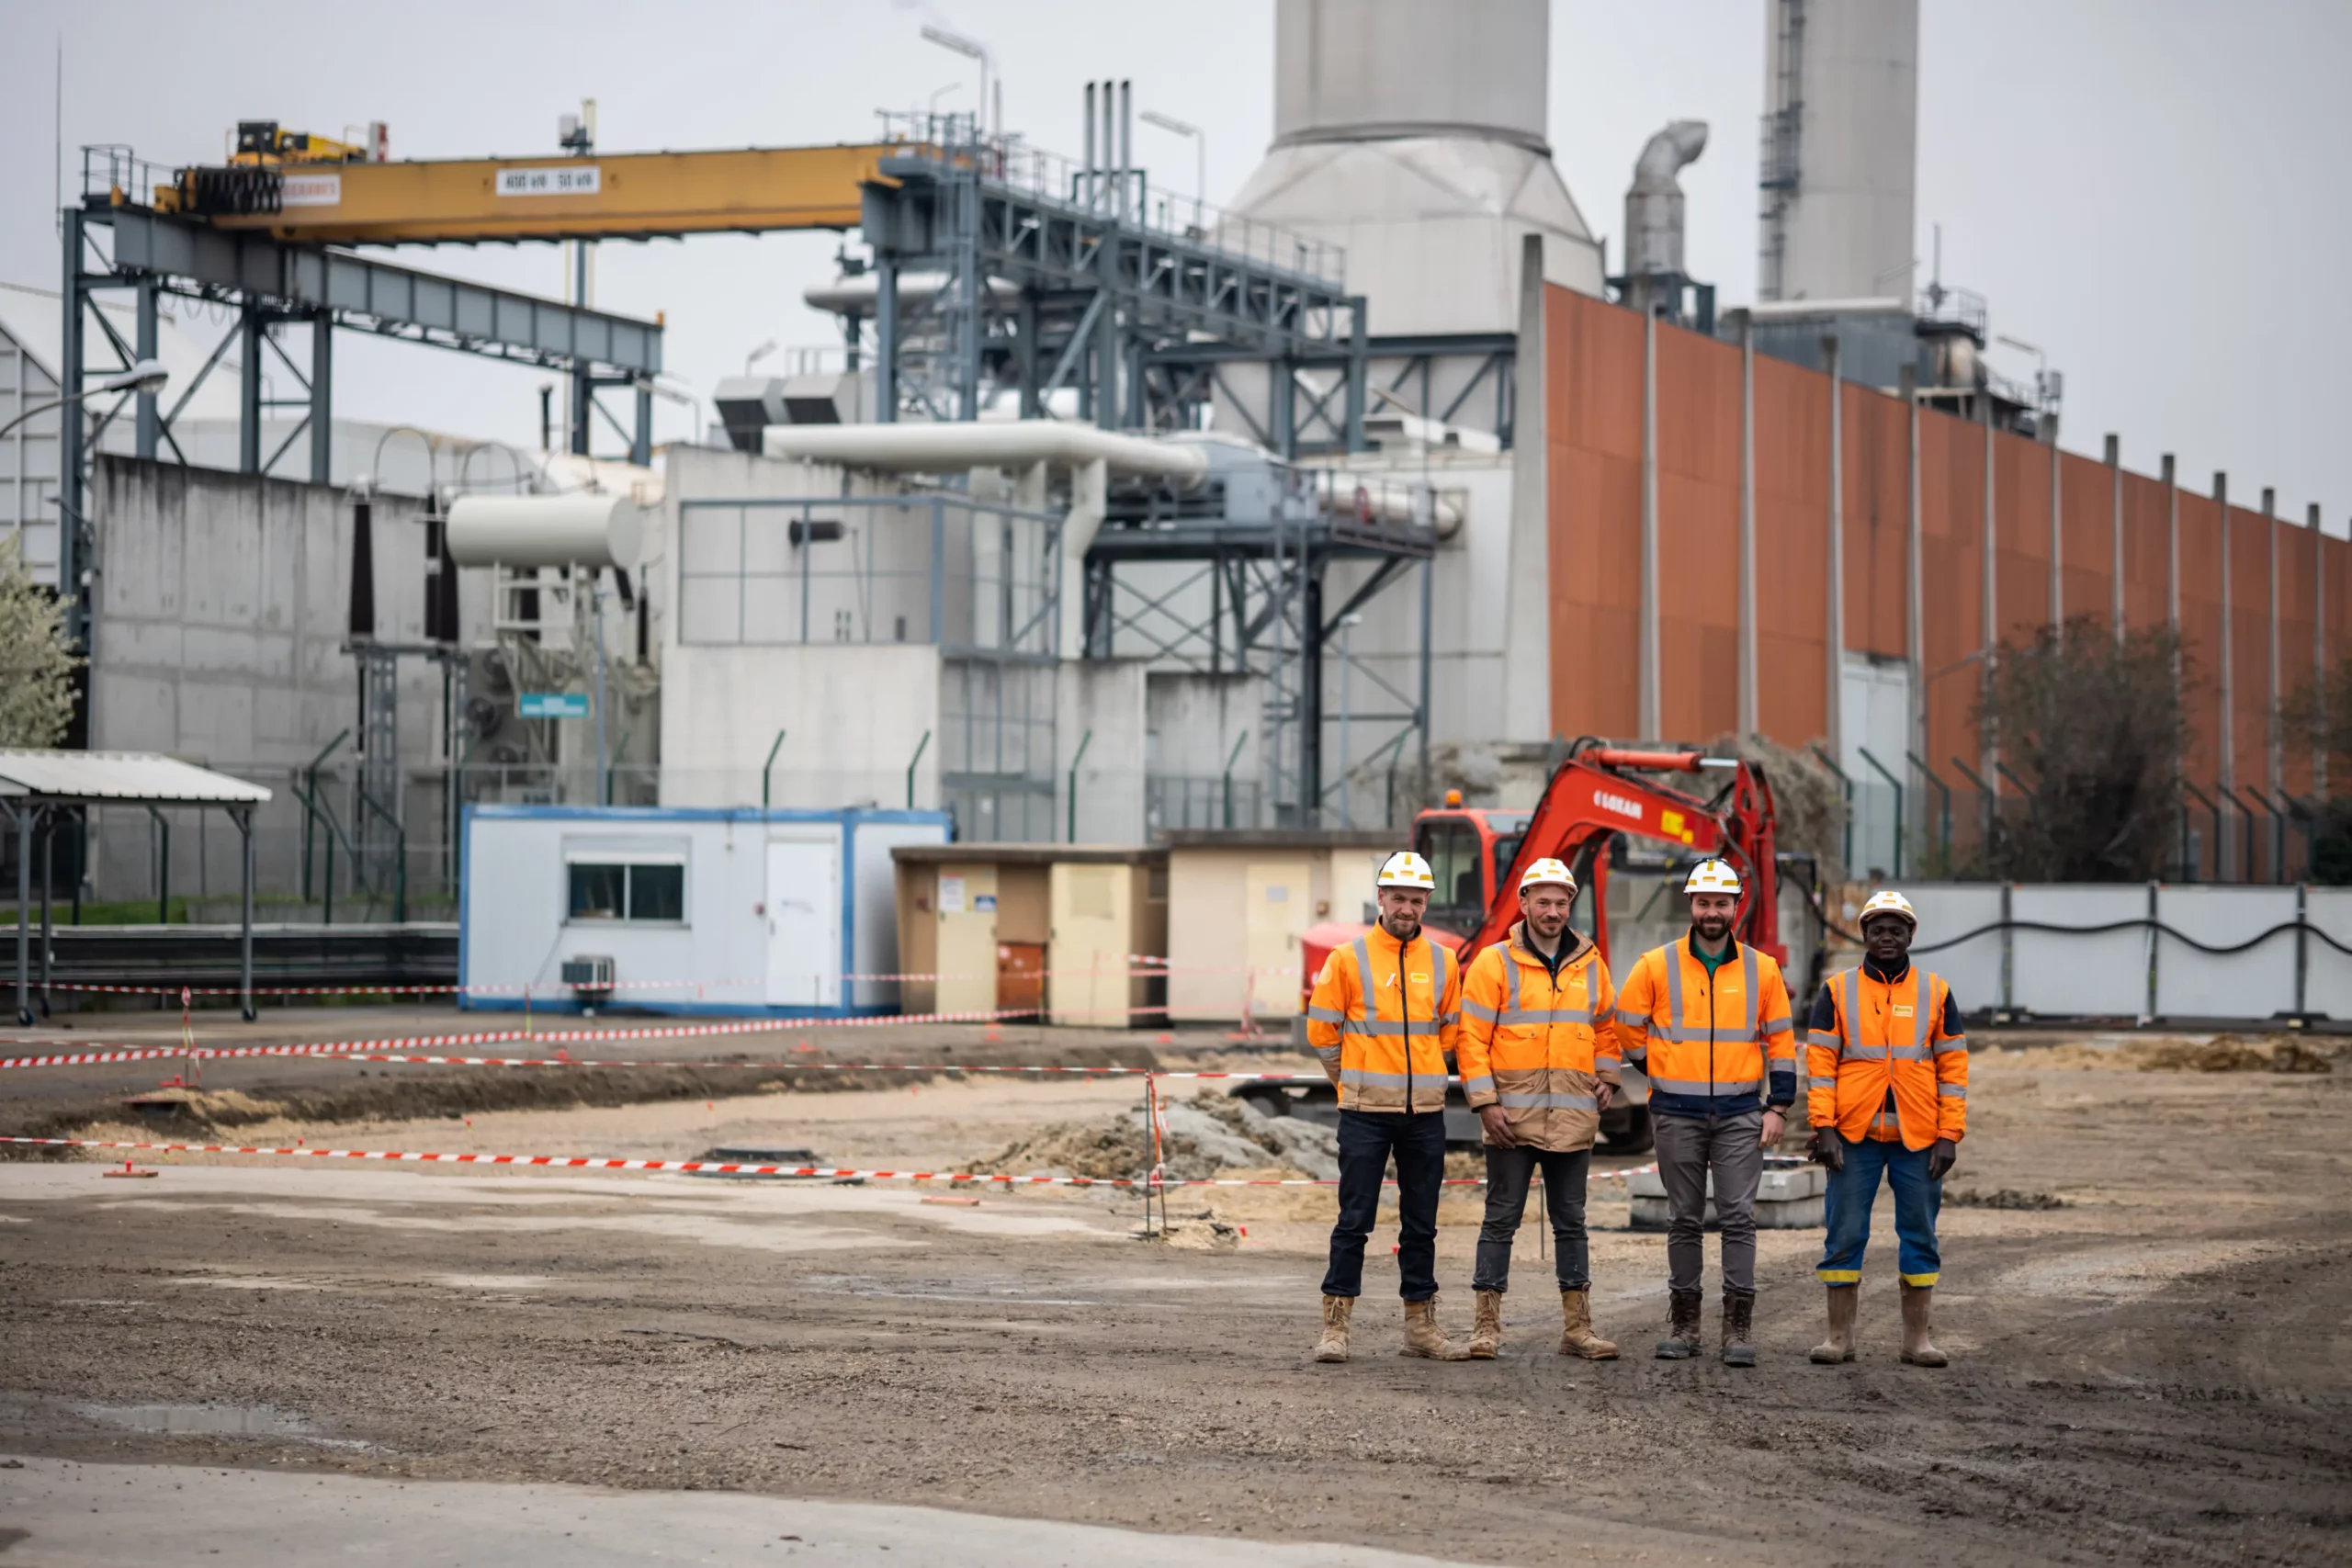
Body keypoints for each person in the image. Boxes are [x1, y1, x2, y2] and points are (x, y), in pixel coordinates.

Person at [1612, 858, 1796, 1367]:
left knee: (1738, 1218)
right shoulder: (1656, 965)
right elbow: (1626, 1025)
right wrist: (1658, 1066)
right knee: (1684, 1219)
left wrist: (1778, 1106)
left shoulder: (1762, 969)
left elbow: (1781, 1040)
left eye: (1721, 903)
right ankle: (1685, 1323)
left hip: (1741, 1113)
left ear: (1736, 907)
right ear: (1690, 905)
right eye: (1703, 902)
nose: (1712, 912)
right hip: (1675, 1113)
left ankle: (1737, 1329)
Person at [1455, 858, 1623, 1360]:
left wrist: (1609, 1075)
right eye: (1543, 901)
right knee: (1500, 1219)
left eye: (1561, 902)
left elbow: (1607, 1029)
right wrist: (1486, 1103)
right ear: (1524, 903)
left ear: (1570, 905)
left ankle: (1578, 1329)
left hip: (1573, 1117)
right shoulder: (1494, 963)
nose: (1552, 911)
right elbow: (1471, 1040)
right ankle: (1486, 1328)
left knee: (1571, 1221)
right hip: (1512, 1118)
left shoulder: (1591, 964)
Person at [1306, 850, 1469, 1363]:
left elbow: (1449, 1034)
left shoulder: (1444, 962)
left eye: (1416, 899)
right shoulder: (1347, 959)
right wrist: (1352, 1081)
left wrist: (1418, 1075)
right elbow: (1323, 1034)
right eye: (1398, 897)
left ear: (1426, 903)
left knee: (1421, 1223)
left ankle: (1420, 1327)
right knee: (1354, 1219)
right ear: (1381, 899)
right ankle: (1336, 1327)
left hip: (1424, 1114)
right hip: (1363, 1114)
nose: (1407, 907)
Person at [1806, 888, 1968, 1367]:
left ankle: (1916, 1341)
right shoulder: (1837, 991)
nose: (1888, 937)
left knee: (1919, 1234)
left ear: (1911, 934)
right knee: (1844, 1233)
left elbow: (1953, 1069)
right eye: (1878, 929)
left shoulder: (1935, 992)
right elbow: (1820, 1065)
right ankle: (1839, 1339)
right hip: (1853, 1139)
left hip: (1918, 1141)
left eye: (1897, 929)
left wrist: (1949, 1134)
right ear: (1865, 935)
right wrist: (1824, 1128)